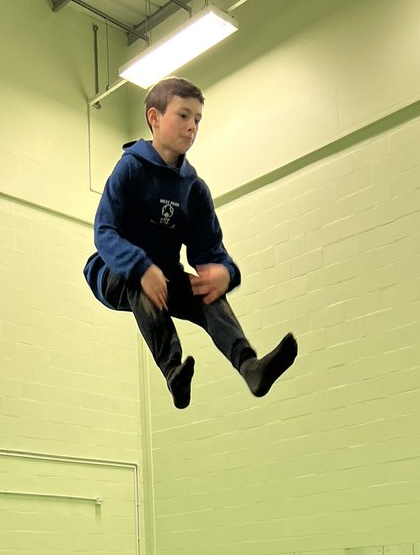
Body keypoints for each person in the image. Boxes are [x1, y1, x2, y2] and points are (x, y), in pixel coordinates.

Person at [83, 75, 298, 409]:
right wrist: (140, 267)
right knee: (142, 281)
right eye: (183, 115)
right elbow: (105, 230)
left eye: (197, 119)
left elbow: (210, 251)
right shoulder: (131, 169)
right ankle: (173, 371)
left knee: (206, 292)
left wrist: (225, 273)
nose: (192, 127)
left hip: (165, 275)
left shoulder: (194, 189)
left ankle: (249, 366)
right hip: (113, 272)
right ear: (154, 118)